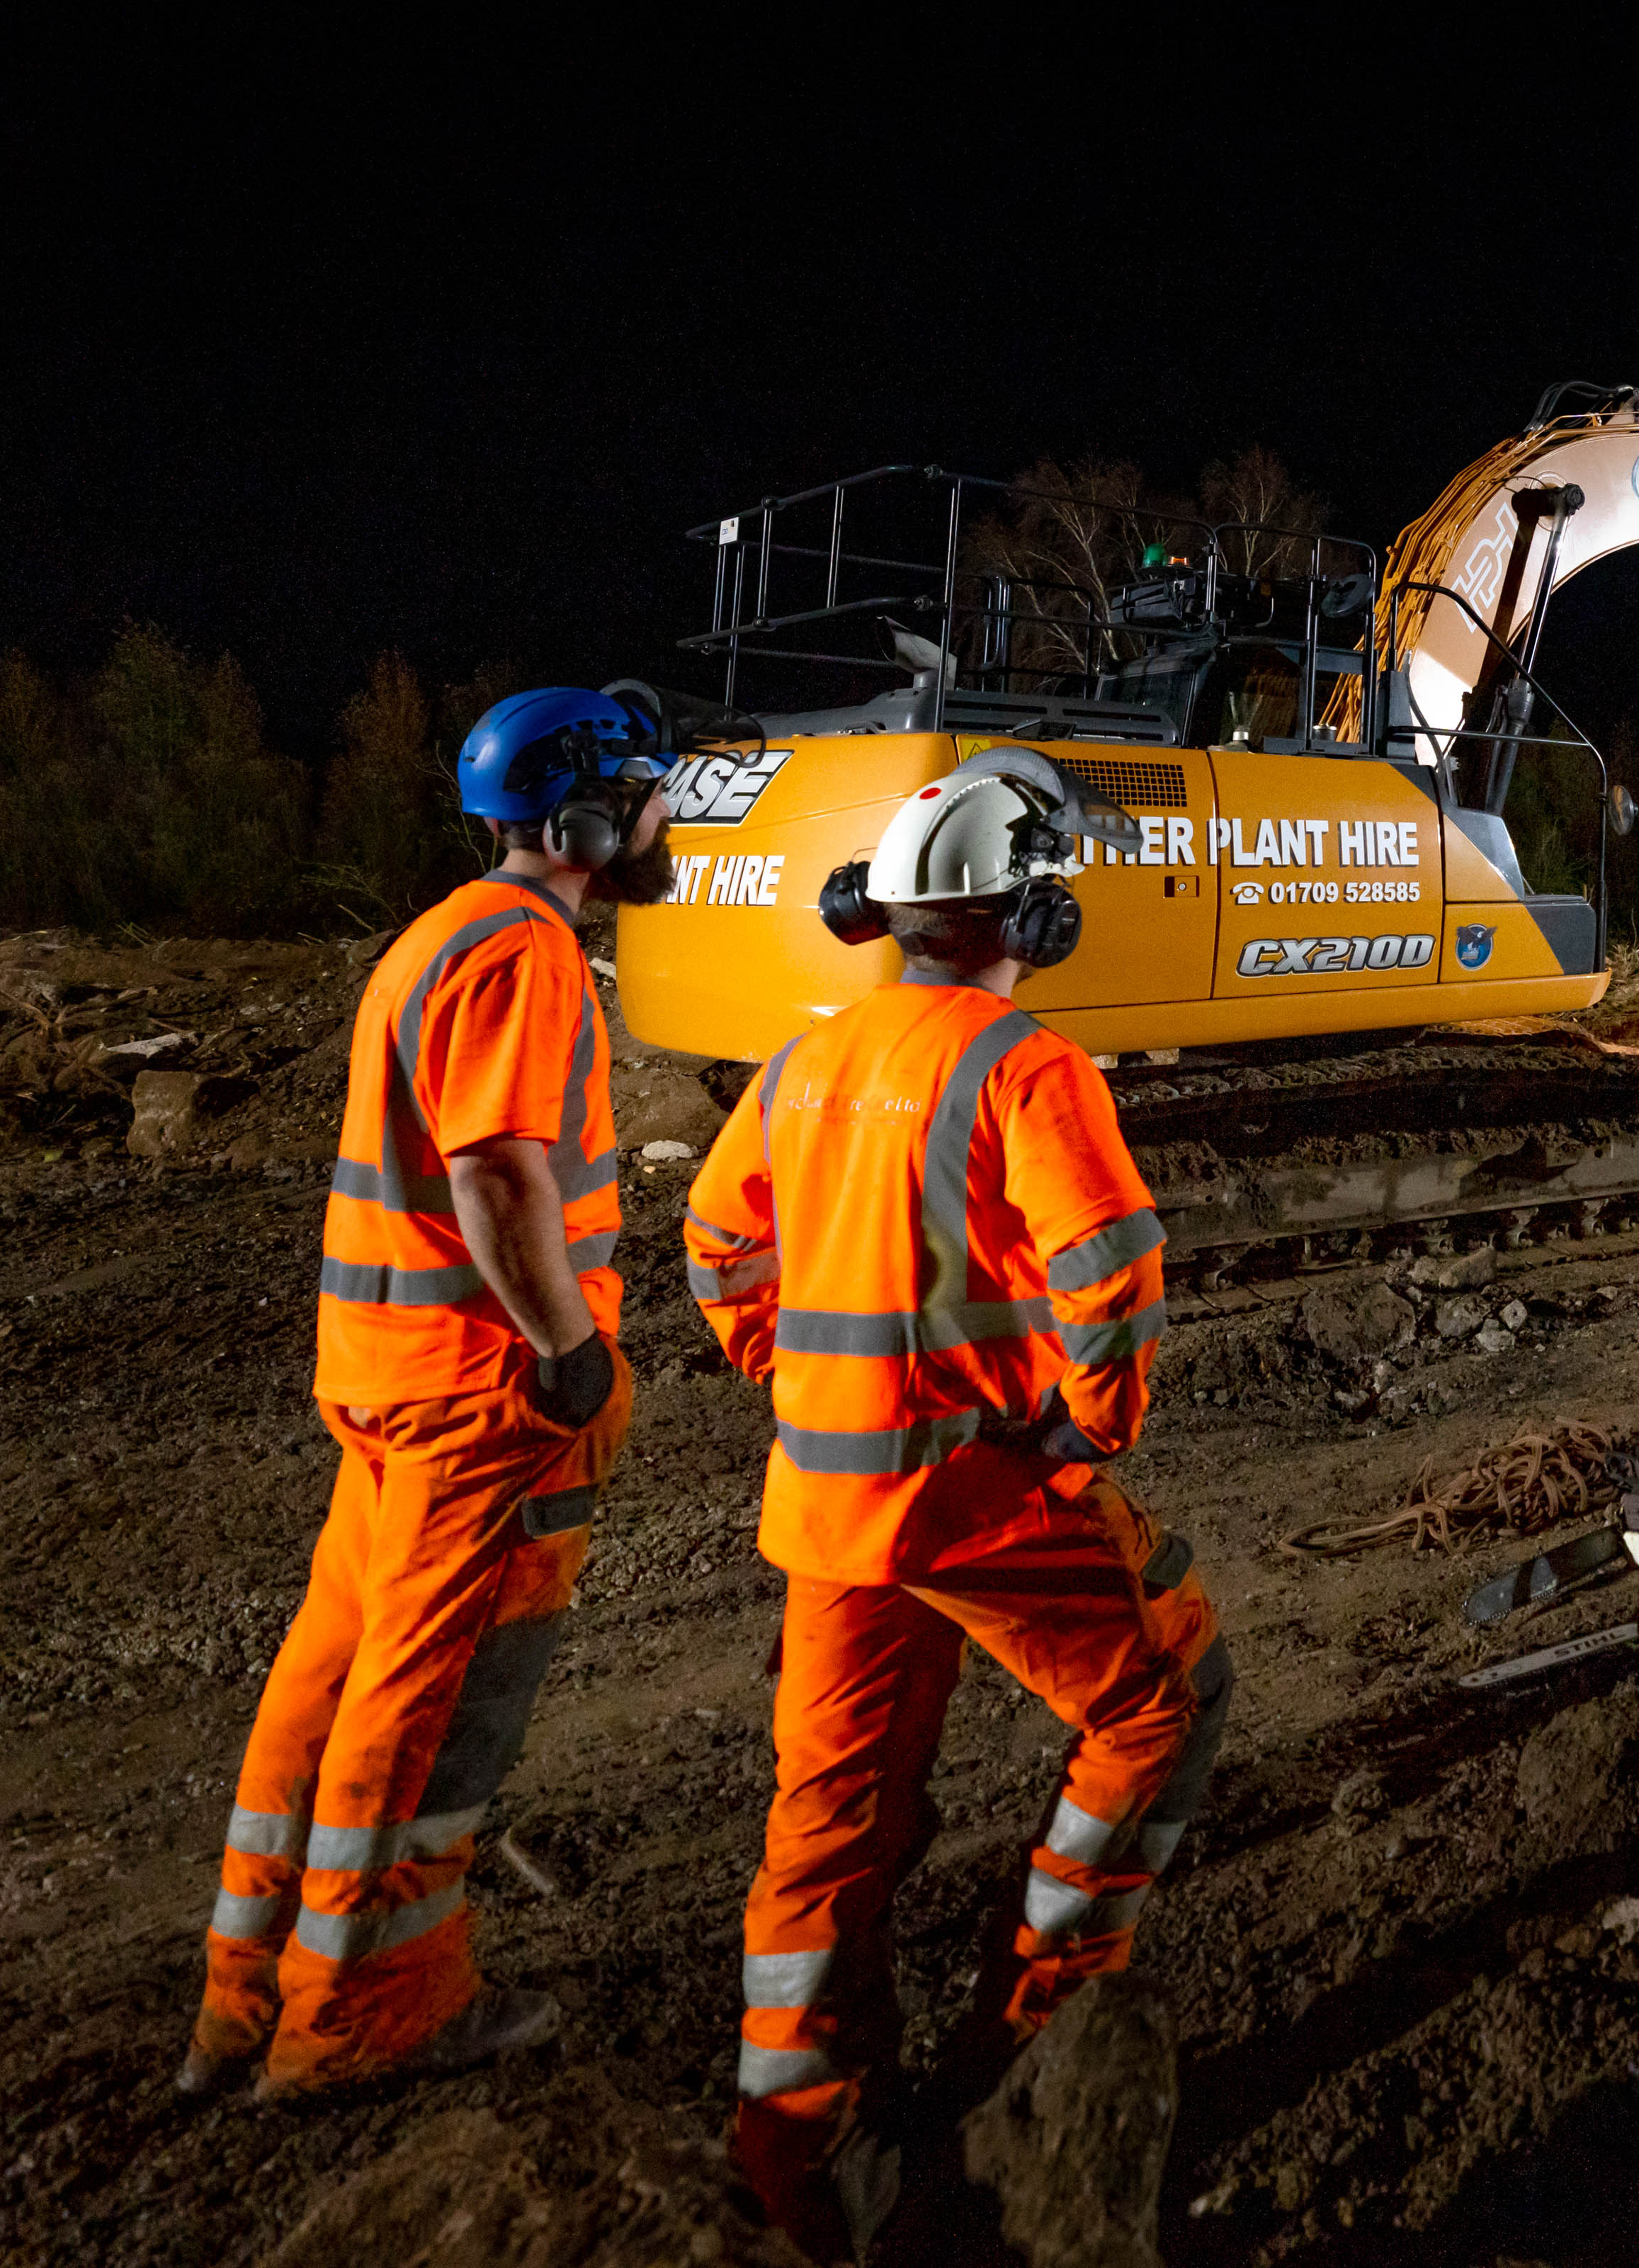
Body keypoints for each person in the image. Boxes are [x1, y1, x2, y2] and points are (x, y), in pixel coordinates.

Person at [688, 766, 1228, 2256]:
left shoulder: (804, 1058)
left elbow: (720, 1237)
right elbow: (1112, 1265)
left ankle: (794, 2147)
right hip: (972, 1497)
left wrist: (793, 1375)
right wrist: (1082, 1433)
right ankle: (1046, 2022)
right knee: (1165, 1694)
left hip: (828, 1499)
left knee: (830, 1814)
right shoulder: (1025, 1065)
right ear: (1032, 913)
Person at [181, 688, 672, 2099]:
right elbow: (499, 1172)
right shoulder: (525, 954)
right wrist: (573, 1350)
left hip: (391, 1379)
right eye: (646, 794)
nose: (662, 818)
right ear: (584, 816)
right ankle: (363, 2011)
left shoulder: (436, 935)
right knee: (429, 1695)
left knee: (328, 1679)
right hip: (481, 1392)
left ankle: (244, 1994)